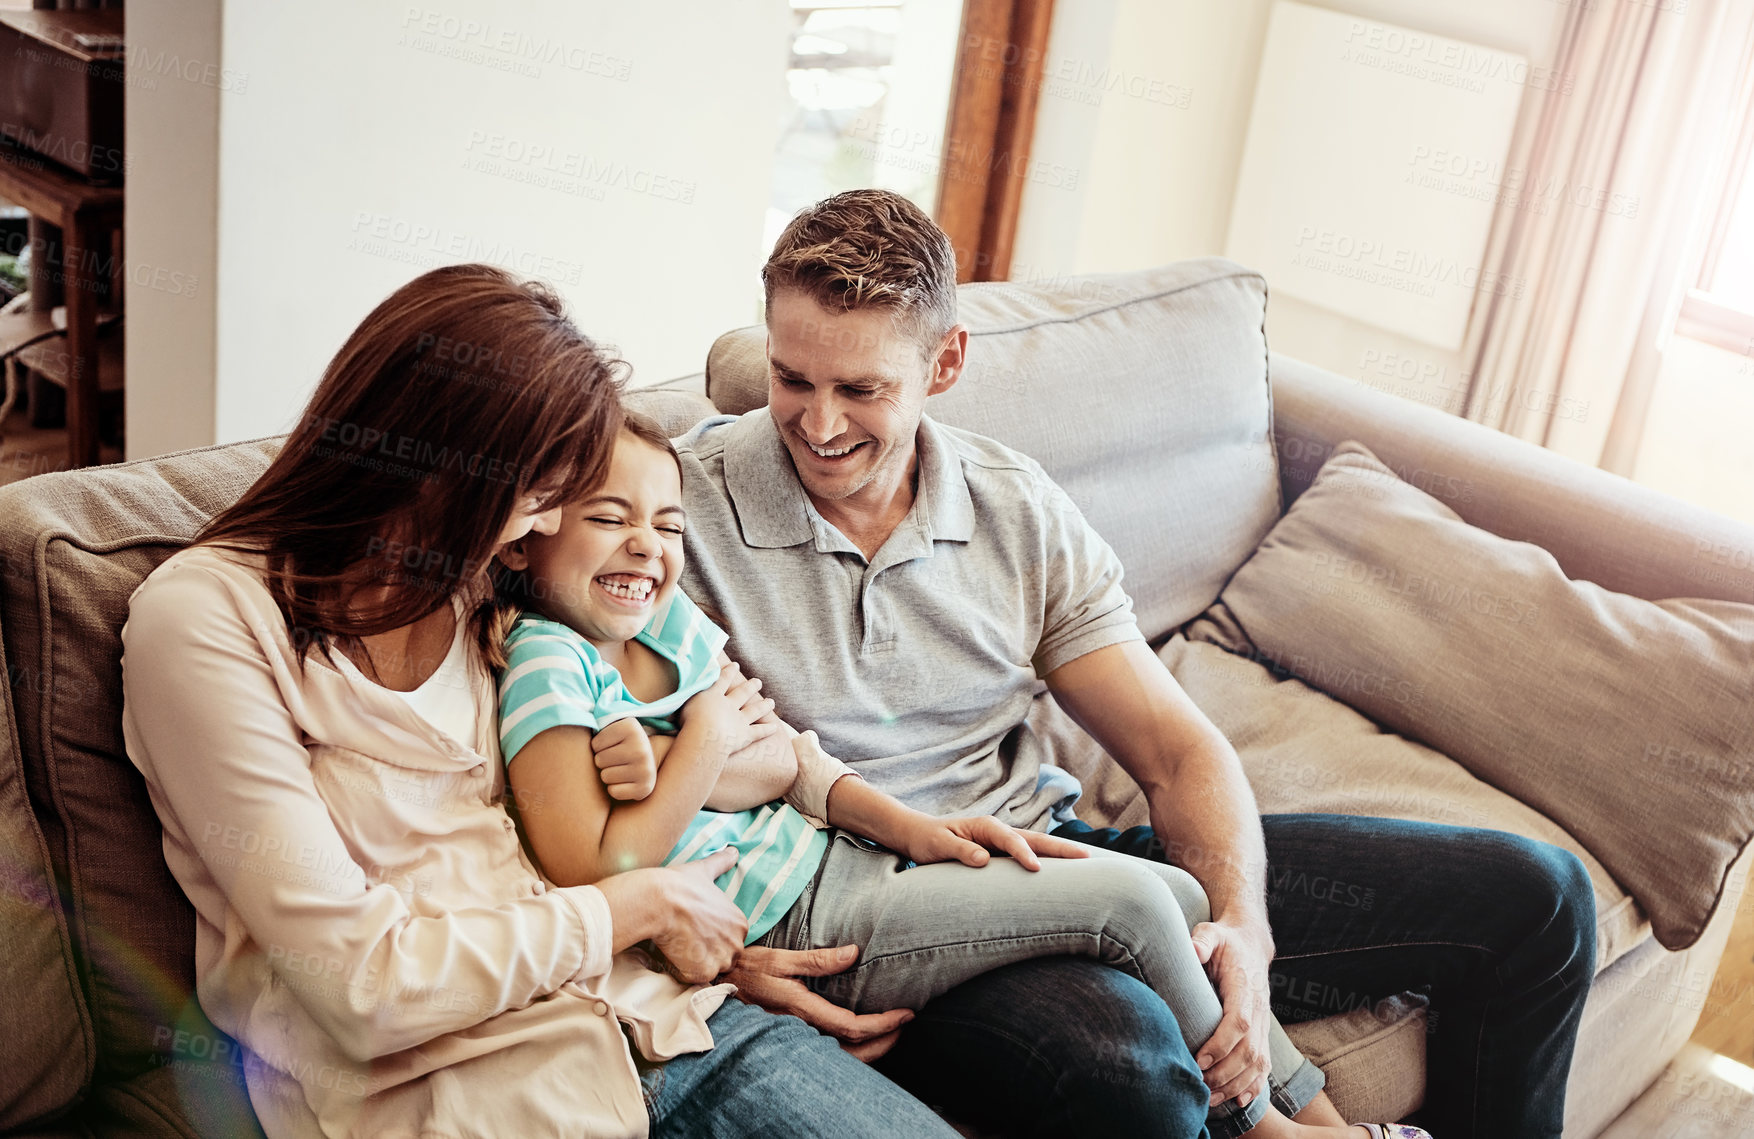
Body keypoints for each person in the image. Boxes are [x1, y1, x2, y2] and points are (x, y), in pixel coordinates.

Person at [668, 189, 1598, 1139]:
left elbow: (1174, 752)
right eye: (792, 379)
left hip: (1052, 856)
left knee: (1539, 902)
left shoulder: (1012, 509)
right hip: (886, 926)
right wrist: (715, 955)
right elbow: (573, 790)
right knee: (1133, 1077)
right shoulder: (671, 514)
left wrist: (1244, 925)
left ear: (945, 362)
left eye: (862, 390)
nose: (819, 425)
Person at [119, 264, 969, 1139]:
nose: (539, 526)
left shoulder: (489, 582)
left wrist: (713, 945)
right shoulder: (206, 620)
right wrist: (641, 906)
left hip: (666, 1014)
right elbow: (361, 985)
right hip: (460, 1090)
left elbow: (725, 735)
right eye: (533, 493)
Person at [493, 413, 1408, 1139]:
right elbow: (597, 873)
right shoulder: (547, 661)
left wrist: (912, 829)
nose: (647, 547)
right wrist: (699, 742)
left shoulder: (666, 625)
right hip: (803, 917)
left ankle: (1319, 1115)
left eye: (667, 524)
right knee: (1130, 905)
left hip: (852, 857)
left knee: (1177, 887)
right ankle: (1273, 1132)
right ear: (525, 537)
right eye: (609, 518)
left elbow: (789, 759)